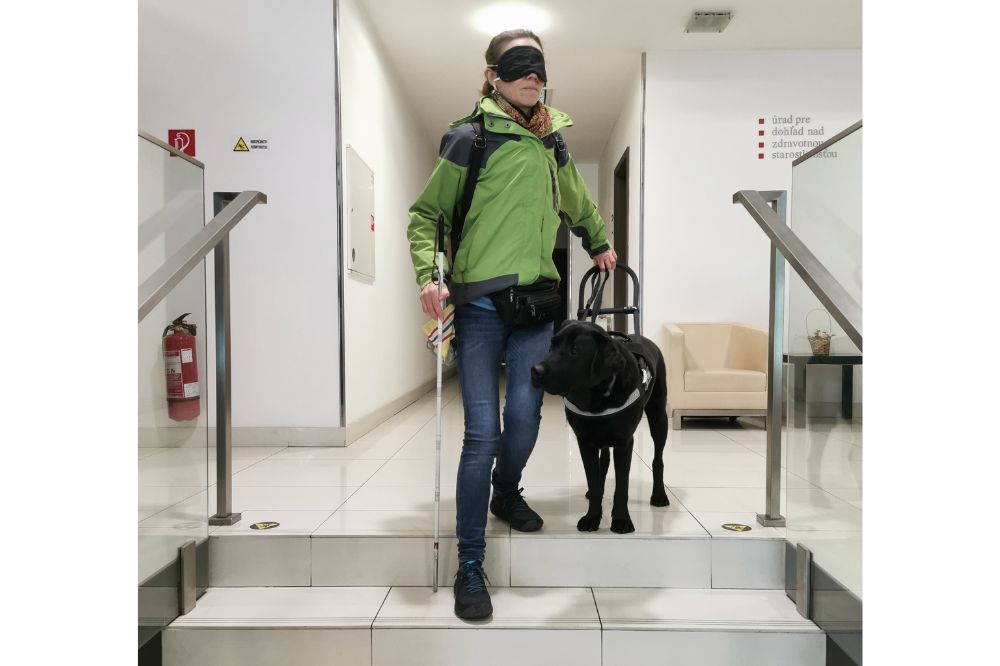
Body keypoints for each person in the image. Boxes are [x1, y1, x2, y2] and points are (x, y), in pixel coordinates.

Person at [407, 29, 616, 620]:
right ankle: (469, 561)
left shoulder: (553, 143)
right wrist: (429, 274)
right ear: (492, 75)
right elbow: (426, 215)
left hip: (536, 305)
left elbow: (575, 200)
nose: (532, 74)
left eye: (539, 65)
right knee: (482, 433)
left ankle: (505, 491)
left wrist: (598, 241)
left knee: (524, 420)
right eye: (519, 63)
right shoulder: (469, 137)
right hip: (477, 306)